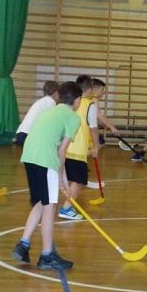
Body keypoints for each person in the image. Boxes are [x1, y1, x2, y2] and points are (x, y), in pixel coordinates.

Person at [11, 81, 83, 270]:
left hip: (29, 156)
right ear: (77, 100)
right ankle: (47, 256)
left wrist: (63, 180)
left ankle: (23, 244)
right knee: (50, 207)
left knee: (41, 203)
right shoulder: (73, 117)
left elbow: (57, 150)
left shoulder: (51, 111)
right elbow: (61, 151)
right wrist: (60, 179)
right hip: (45, 159)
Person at [58, 75, 101, 220]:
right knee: (78, 181)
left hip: (62, 147)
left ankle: (52, 205)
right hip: (77, 150)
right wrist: (96, 146)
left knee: (64, 178)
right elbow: (93, 128)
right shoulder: (90, 105)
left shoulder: (66, 102)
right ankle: (66, 208)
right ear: (89, 90)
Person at [15, 80, 60, 145]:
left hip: (22, 132)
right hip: (28, 134)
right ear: (56, 93)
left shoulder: (43, 101)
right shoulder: (50, 102)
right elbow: (50, 122)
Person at [91, 78, 120, 142]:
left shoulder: (88, 98)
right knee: (99, 144)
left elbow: (94, 117)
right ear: (95, 90)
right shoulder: (94, 99)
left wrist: (104, 124)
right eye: (102, 89)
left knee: (101, 143)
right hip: (88, 129)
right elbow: (98, 115)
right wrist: (111, 126)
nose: (103, 92)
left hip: (87, 128)